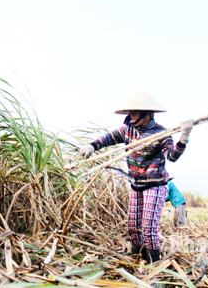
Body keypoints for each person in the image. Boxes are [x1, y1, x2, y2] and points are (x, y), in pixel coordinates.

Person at [78, 90, 194, 264]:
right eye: (129, 112)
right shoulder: (127, 130)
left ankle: (153, 265)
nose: (130, 116)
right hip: (136, 184)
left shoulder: (161, 133)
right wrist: (92, 147)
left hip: (155, 185)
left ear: (147, 113)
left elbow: (172, 156)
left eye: (134, 112)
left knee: (148, 229)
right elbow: (107, 139)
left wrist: (184, 137)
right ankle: (136, 261)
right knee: (133, 228)